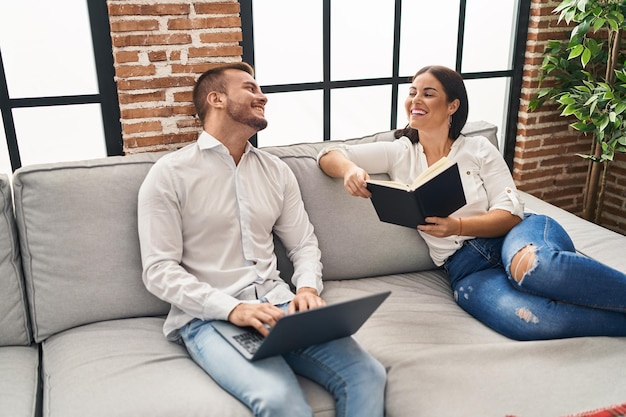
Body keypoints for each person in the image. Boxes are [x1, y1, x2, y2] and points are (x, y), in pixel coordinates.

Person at [137, 62, 386, 417]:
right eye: (250, 88)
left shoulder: (276, 171)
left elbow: (303, 244)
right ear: (217, 99)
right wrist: (232, 308)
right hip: (211, 316)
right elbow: (159, 270)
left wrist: (307, 290)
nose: (263, 97)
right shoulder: (169, 175)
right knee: (278, 400)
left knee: (367, 375)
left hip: (281, 307)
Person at [318, 64, 626, 341]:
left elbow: (510, 213)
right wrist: (349, 171)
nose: (415, 100)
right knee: (533, 321)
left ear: (452, 105)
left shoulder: (477, 148)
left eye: (428, 93)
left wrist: (457, 225)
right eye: (412, 93)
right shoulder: (399, 151)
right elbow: (327, 154)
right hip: (466, 269)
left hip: (515, 236)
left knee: (536, 269)